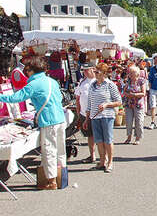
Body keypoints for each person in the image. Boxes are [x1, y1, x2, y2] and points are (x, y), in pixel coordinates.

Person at [0, 56, 66, 190]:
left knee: (49, 150)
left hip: (48, 120)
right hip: (59, 118)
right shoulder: (51, 81)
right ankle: (62, 177)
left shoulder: (34, 84)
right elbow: (59, 98)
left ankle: (51, 181)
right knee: (60, 149)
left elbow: (16, 97)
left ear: (31, 70)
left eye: (27, 69)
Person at [84, 63, 122, 173]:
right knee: (99, 140)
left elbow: (119, 101)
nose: (95, 74)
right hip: (95, 117)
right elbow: (90, 103)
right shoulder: (93, 85)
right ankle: (102, 161)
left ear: (104, 73)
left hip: (107, 116)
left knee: (108, 140)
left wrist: (107, 105)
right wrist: (87, 118)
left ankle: (110, 162)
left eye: (97, 72)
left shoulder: (110, 85)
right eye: (95, 72)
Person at [75, 63, 96, 163]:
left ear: (93, 69)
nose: (85, 72)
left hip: (97, 113)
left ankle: (103, 157)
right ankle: (92, 155)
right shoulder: (82, 82)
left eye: (87, 70)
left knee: (100, 136)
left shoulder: (98, 81)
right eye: (84, 70)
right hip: (84, 113)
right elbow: (78, 98)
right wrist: (78, 112)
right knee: (89, 135)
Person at [123, 65, 147, 145]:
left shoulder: (141, 81)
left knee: (139, 121)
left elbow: (143, 93)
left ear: (136, 73)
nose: (130, 74)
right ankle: (128, 137)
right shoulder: (128, 81)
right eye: (129, 73)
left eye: (131, 73)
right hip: (129, 104)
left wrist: (134, 95)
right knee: (129, 121)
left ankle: (137, 137)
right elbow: (124, 91)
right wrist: (127, 94)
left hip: (138, 104)